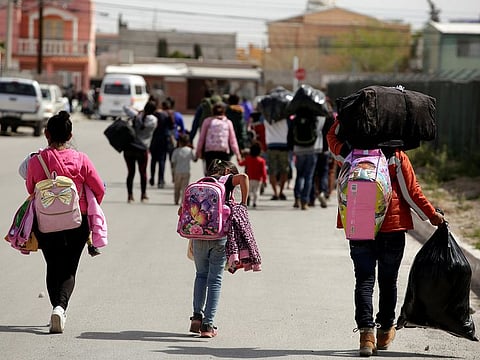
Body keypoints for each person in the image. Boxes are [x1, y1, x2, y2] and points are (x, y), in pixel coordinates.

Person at [327, 117, 445, 357]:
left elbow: (331, 137)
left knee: (364, 279)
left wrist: (344, 115)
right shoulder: (395, 155)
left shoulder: (349, 153)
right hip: (391, 224)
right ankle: (384, 330)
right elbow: (412, 194)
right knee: (388, 280)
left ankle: (366, 334)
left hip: (359, 218)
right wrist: (433, 217)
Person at [24, 111, 105, 334]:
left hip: (45, 222)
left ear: (46, 134)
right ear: (70, 136)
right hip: (76, 222)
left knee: (53, 265)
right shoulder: (81, 159)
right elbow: (99, 189)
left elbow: (31, 189)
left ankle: (56, 308)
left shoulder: (35, 161)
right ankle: (60, 308)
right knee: (69, 269)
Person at [185, 159, 249, 338]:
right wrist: (243, 203)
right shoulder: (227, 181)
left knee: (200, 276)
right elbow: (243, 177)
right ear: (227, 171)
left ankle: (196, 317)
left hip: (198, 236)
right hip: (219, 237)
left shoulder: (200, 184)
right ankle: (208, 325)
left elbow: (182, 211)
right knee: (215, 280)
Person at [123, 101, 157, 202]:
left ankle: (130, 195)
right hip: (142, 149)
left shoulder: (136, 115)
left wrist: (135, 109)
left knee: (130, 173)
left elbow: (125, 107)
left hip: (129, 148)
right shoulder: (154, 120)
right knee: (143, 173)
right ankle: (143, 194)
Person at [195, 102, 243, 175]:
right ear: (224, 111)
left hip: (210, 153)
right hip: (223, 152)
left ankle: (211, 185)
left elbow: (201, 139)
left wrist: (197, 153)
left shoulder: (207, 121)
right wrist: (238, 155)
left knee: (211, 173)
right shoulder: (228, 122)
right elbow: (233, 140)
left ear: (213, 111)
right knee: (223, 174)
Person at [149, 101, 175, 188]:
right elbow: (172, 126)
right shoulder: (167, 115)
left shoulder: (155, 114)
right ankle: (161, 180)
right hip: (164, 139)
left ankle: (152, 177)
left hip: (155, 138)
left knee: (153, 160)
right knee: (162, 160)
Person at [264, 117, 290, 200]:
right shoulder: (285, 118)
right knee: (284, 170)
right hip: (284, 145)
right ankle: (281, 192)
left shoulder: (266, 117)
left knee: (272, 171)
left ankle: (275, 193)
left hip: (271, 145)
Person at [238, 141, 267, 208]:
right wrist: (264, 180)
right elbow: (263, 172)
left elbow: (241, 164)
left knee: (249, 191)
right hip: (258, 179)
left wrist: (239, 158)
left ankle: (247, 200)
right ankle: (255, 202)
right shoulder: (261, 161)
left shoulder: (248, 159)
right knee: (256, 191)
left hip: (249, 178)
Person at [171, 134, 197, 205]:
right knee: (184, 188)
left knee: (177, 187)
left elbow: (173, 162)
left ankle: (176, 200)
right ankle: (183, 202)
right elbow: (195, 159)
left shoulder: (176, 151)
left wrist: (172, 172)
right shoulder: (190, 150)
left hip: (177, 172)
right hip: (186, 172)